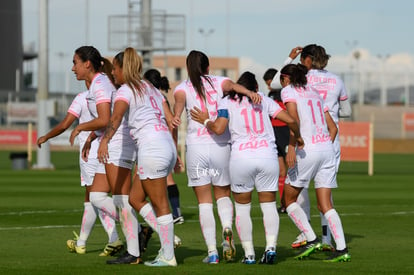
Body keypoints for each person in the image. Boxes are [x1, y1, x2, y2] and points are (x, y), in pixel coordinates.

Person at [190, 71, 302, 264]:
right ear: (256, 88)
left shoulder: (226, 102)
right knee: (268, 206)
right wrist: (297, 137)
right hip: (267, 157)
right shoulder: (264, 100)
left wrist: (205, 120)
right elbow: (291, 120)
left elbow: (218, 128)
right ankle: (271, 248)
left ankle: (249, 254)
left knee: (243, 209)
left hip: (241, 159)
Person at [172, 50, 261, 264]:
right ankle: (227, 229)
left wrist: (175, 146)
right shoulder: (219, 81)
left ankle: (212, 252)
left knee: (204, 201)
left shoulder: (182, 88)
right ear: (207, 67)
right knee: (222, 194)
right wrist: (249, 93)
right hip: (221, 146)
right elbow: (233, 87)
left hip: (196, 149)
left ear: (188, 67)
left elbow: (177, 112)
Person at [98, 47, 177, 267]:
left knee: (161, 204)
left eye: (115, 68)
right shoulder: (149, 86)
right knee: (135, 198)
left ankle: (168, 255)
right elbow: (165, 109)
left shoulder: (125, 90)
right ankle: (164, 245)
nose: (113, 72)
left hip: (151, 148)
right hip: (165, 145)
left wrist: (104, 141)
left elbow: (115, 117)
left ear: (123, 68)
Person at [275, 44, 352, 250]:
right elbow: (333, 126)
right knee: (326, 204)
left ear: (287, 78)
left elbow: (293, 120)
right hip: (327, 147)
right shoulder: (316, 91)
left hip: (306, 149)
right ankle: (341, 248)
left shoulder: (289, 90)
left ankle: (310, 237)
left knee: (288, 199)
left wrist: (294, 144)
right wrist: (327, 142)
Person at [37, 87, 122, 257]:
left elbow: (65, 124)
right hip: (110, 149)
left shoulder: (83, 97)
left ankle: (118, 235)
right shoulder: (112, 96)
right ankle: (86, 242)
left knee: (95, 198)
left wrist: (46, 136)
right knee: (93, 198)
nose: (74, 69)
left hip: (91, 154)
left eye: (76, 64)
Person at [143, 69, 185, 224]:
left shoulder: (155, 98)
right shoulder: (162, 98)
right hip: (165, 143)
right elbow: (173, 125)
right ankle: (175, 212)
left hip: (156, 144)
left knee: (155, 181)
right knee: (166, 179)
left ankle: (166, 215)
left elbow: (171, 125)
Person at [263, 68, 290, 213]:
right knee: (281, 171)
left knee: (291, 170)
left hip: (286, 132)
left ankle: (292, 202)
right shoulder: (270, 95)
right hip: (274, 134)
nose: (268, 87)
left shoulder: (285, 93)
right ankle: (284, 204)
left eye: (269, 83)